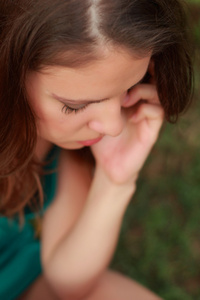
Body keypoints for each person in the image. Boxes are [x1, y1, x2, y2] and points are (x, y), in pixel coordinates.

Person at [0, 0, 193, 299]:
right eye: (75, 105)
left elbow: (67, 284)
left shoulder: (62, 148)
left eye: (128, 88)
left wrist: (115, 181)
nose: (113, 126)